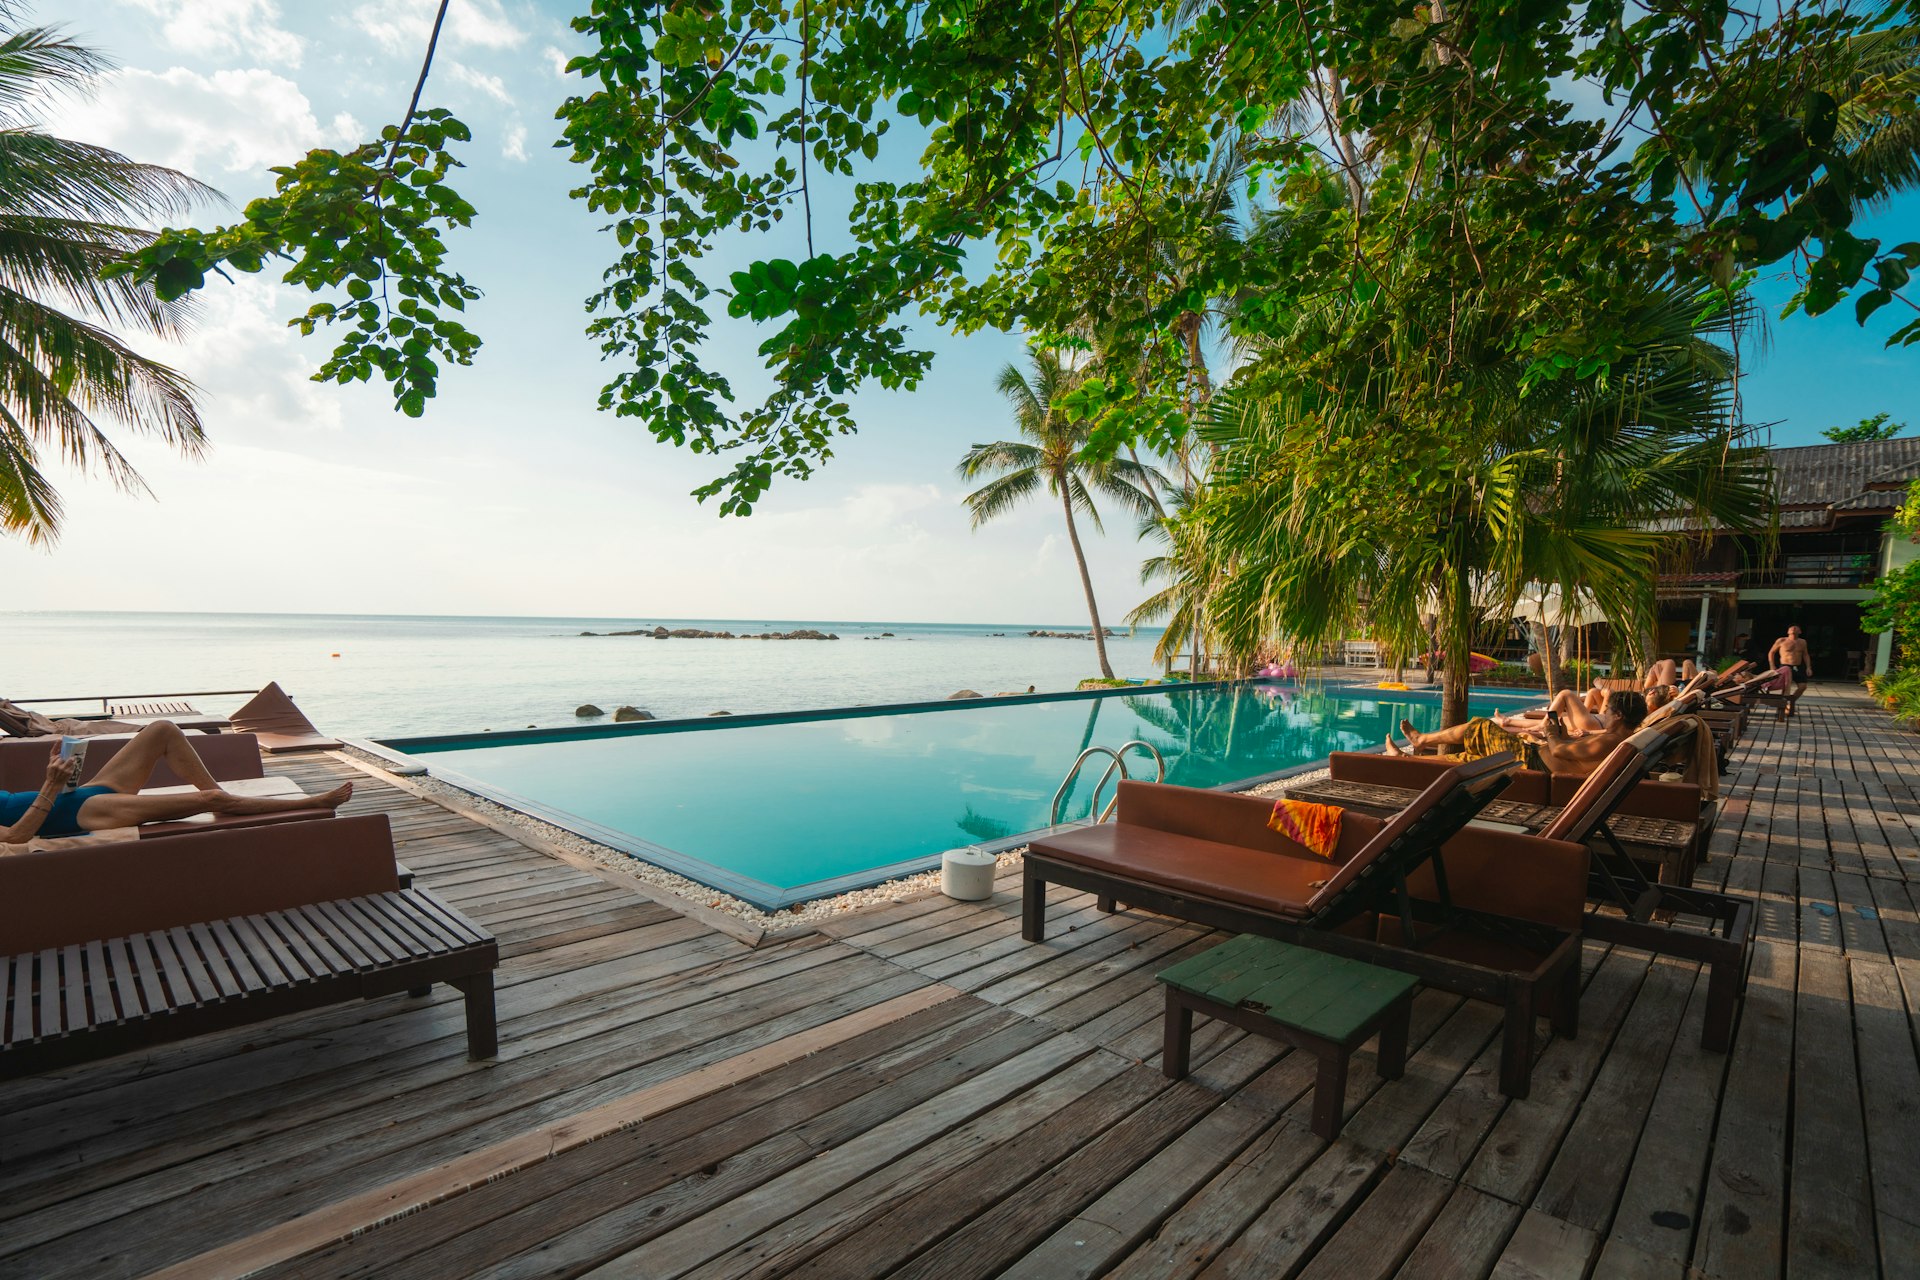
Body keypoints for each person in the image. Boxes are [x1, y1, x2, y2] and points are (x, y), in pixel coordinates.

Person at [0, 721, 350, 845]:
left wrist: (60, 778)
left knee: (162, 730)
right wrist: (51, 785)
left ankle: (222, 796)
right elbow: (16, 836)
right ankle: (313, 803)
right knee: (208, 802)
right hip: (85, 812)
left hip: (81, 793)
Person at [1388, 689, 1649, 776]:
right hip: (1534, 758)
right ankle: (1407, 760)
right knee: (1470, 760)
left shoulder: (1611, 742)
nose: (1604, 713)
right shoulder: (1617, 739)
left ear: (1618, 715)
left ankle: (1422, 740)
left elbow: (1560, 751)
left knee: (1480, 726)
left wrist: (1551, 733)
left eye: (1608, 711)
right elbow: (1572, 752)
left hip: (1532, 765)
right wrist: (1561, 735)